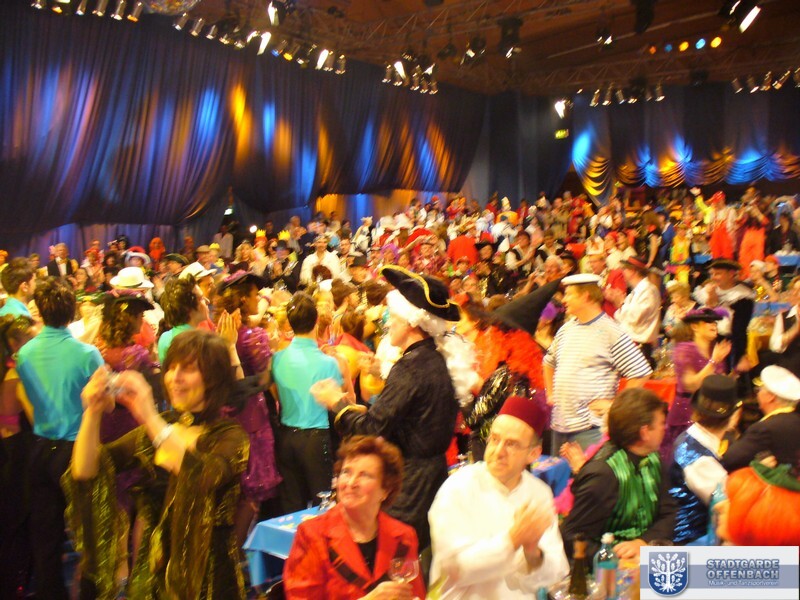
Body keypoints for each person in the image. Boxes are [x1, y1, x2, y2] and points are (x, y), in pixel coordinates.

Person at [66, 329, 249, 599]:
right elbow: (85, 469)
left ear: (213, 379)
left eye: (188, 369)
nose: (175, 377)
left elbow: (202, 477)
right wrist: (92, 411)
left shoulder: (230, 436)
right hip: (154, 571)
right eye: (171, 367)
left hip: (208, 577)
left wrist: (148, 415)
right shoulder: (161, 427)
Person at [313, 266, 478, 548]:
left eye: (393, 318)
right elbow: (409, 417)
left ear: (411, 323)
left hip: (410, 489)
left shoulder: (410, 367)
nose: (387, 324)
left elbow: (371, 429)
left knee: (400, 559)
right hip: (433, 479)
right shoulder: (437, 358)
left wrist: (335, 402)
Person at [15, 277, 104, 599]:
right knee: (89, 535)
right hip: (77, 452)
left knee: (46, 536)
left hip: (39, 449)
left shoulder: (24, 353)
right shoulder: (87, 353)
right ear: (71, 310)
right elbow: (104, 403)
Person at [429, 396, 569, 599]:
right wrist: (512, 540)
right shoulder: (458, 488)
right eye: (495, 439)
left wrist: (533, 554)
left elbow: (557, 571)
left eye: (511, 444)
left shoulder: (539, 493)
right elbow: (456, 569)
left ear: (533, 454)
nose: (499, 451)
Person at [284, 435, 425, 600]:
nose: (351, 483)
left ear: (385, 490)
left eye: (365, 475)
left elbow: (415, 596)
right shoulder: (312, 535)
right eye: (346, 472)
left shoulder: (404, 537)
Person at [561, 388, 677, 559]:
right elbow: (571, 536)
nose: (664, 428)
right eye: (661, 423)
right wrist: (612, 558)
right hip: (609, 566)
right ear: (645, 432)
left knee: (701, 568)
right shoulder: (604, 474)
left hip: (645, 557)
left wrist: (643, 542)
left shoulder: (653, 458)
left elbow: (670, 512)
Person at [543, 274, 652, 455]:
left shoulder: (611, 331)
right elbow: (548, 362)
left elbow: (640, 372)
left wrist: (615, 406)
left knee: (589, 473)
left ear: (585, 296)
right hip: (560, 424)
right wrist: (550, 393)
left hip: (591, 428)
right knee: (559, 473)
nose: (564, 300)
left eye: (569, 294)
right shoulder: (566, 329)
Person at [271, 292, 344, 513]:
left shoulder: (277, 358)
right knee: (323, 506)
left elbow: (276, 394)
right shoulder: (328, 363)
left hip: (286, 437)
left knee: (291, 506)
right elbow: (337, 403)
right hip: (316, 439)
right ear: (316, 320)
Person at [668, 375, 741, 545]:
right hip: (692, 545)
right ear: (734, 416)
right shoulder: (699, 460)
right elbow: (730, 505)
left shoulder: (691, 438)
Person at [661, 308, 731, 461]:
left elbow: (720, 383)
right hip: (687, 413)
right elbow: (690, 385)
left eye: (715, 322)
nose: (714, 325)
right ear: (694, 326)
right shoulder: (684, 349)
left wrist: (737, 371)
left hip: (710, 413)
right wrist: (714, 361)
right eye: (708, 322)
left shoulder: (715, 350)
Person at [0, 314, 35, 598]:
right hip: (16, 457)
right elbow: (30, 421)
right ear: (14, 344)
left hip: (12, 454)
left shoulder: (11, 372)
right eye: (30, 340)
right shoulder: (15, 378)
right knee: (17, 522)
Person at [722, 365, 800, 472]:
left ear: (770, 397)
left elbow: (729, 460)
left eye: (759, 389)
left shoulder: (764, 429)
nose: (757, 394)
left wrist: (730, 430)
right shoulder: (795, 420)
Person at [608, 256, 662, 365]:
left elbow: (635, 317)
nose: (622, 272)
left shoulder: (648, 290)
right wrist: (618, 303)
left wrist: (621, 303)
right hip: (631, 346)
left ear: (633, 271)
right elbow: (619, 317)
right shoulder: (636, 291)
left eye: (624, 269)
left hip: (640, 347)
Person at [768, 276, 800, 378]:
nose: (795, 293)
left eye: (799, 290)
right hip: (791, 370)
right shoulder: (784, 316)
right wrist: (796, 329)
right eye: (794, 290)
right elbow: (775, 346)